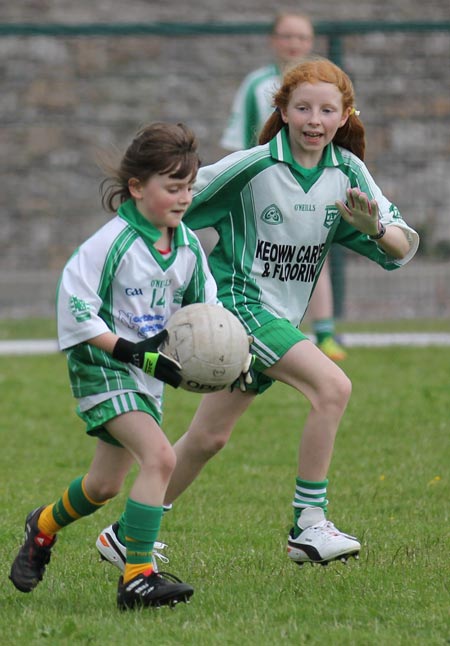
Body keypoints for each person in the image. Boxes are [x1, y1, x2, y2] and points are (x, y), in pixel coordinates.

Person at [97, 57, 419, 570]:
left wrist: (374, 227)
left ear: (344, 116)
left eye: (327, 110)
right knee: (332, 387)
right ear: (284, 112)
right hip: (239, 307)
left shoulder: (348, 172)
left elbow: (401, 250)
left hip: (279, 320)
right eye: (303, 108)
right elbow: (174, 199)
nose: (315, 119)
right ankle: (308, 525)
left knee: (208, 438)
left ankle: (125, 534)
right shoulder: (252, 167)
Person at [9, 122, 221, 610]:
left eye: (189, 186)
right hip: (101, 362)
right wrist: (128, 350)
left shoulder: (186, 246)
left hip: (145, 370)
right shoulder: (113, 242)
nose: (184, 197)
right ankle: (137, 577)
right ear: (136, 187)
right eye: (172, 187)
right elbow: (76, 306)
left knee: (103, 486)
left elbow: (206, 311)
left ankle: (41, 527)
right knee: (161, 458)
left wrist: (230, 355)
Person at [221, 11, 347, 361]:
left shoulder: (327, 85)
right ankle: (250, 323)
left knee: (310, 252)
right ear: (273, 41)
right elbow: (237, 144)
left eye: (302, 38)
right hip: (265, 190)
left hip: (309, 184)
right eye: (287, 37)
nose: (294, 45)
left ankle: (325, 334)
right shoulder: (256, 86)